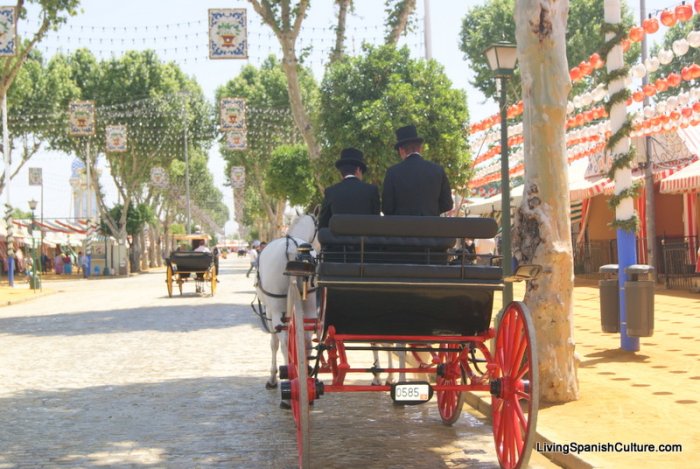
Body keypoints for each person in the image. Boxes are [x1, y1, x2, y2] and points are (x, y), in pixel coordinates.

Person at [382, 125, 453, 216]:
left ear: (401, 150)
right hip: (430, 227)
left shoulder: (392, 172)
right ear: (420, 148)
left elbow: (387, 208)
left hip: (402, 228)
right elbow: (447, 204)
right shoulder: (438, 170)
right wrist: (430, 211)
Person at [319, 147, 380, 228]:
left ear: (341, 172)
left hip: (337, 240)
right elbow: (376, 221)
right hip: (364, 240)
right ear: (358, 169)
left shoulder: (330, 191)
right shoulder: (372, 190)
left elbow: (323, 225)